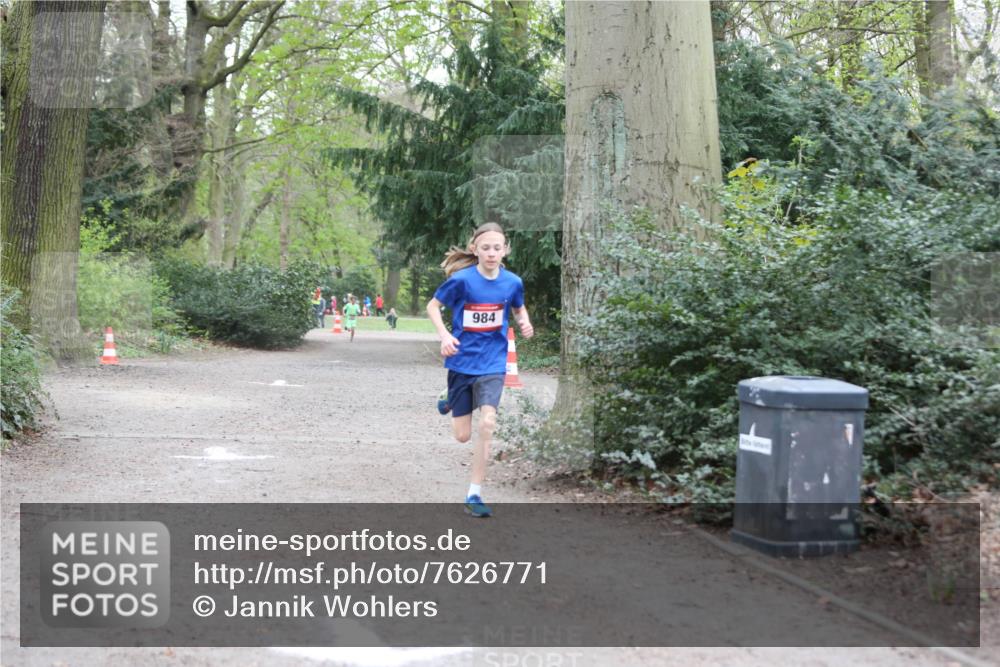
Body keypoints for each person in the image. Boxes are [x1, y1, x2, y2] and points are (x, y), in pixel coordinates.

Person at [426, 222, 533, 518]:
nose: (491, 253)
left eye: (497, 248)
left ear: (505, 250)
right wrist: (445, 336)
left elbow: (518, 308)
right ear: (475, 249)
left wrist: (524, 321)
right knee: (462, 436)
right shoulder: (461, 280)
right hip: (462, 362)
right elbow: (433, 307)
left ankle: (474, 493)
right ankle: (450, 397)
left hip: (493, 363)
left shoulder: (512, 282)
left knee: (487, 423)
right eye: (485, 247)